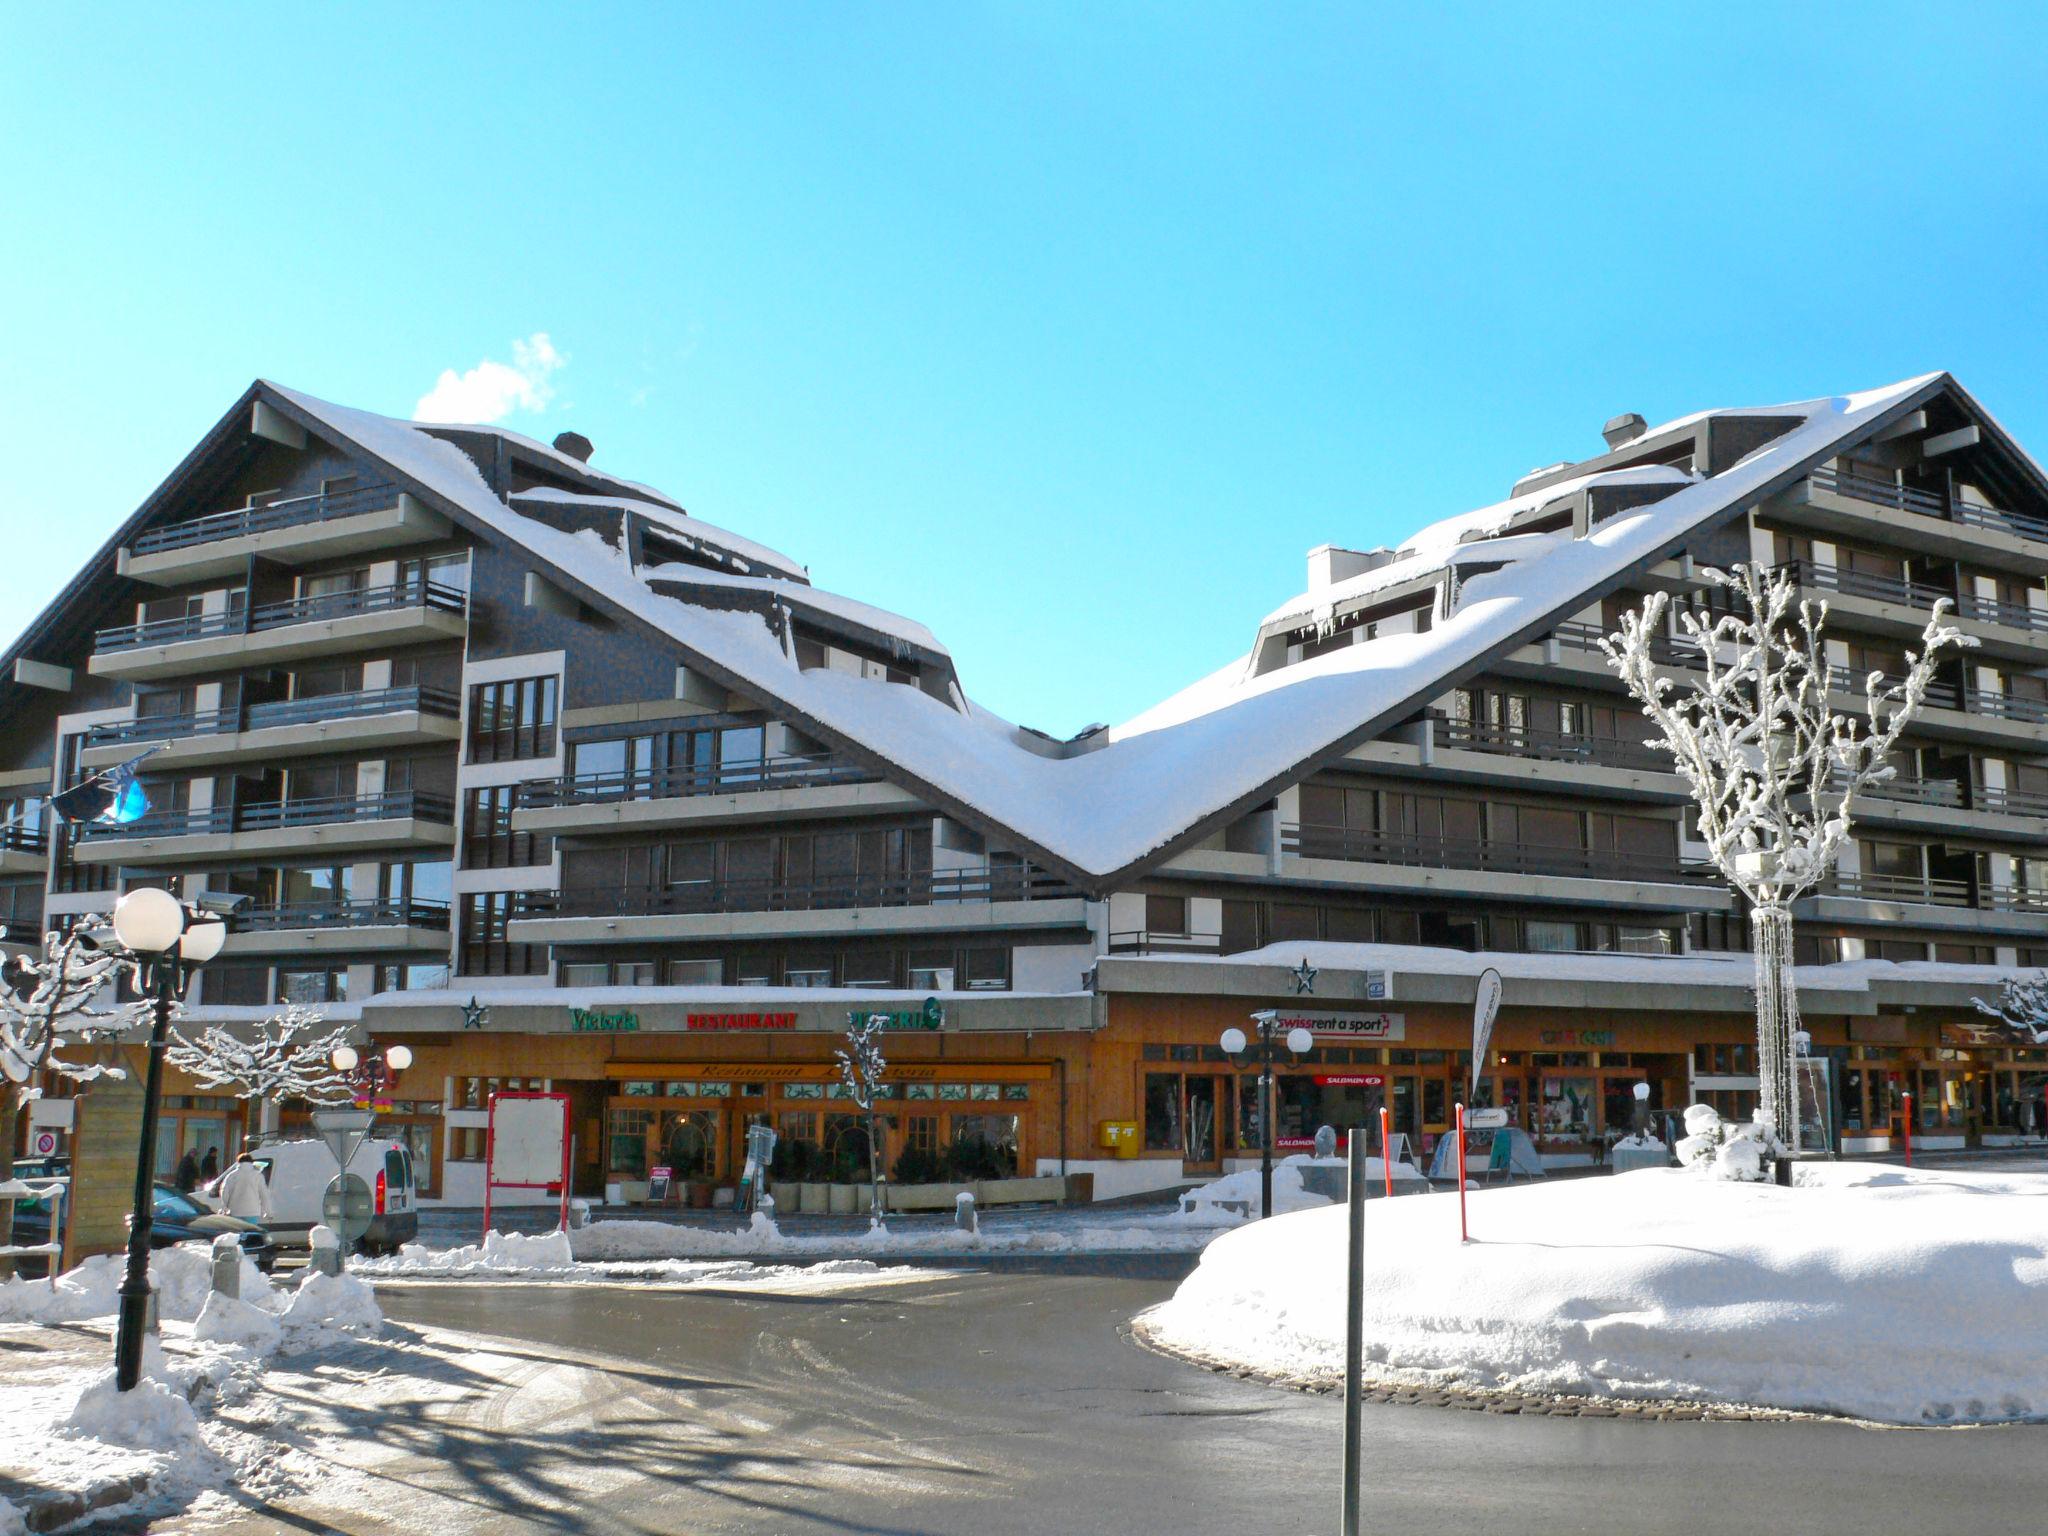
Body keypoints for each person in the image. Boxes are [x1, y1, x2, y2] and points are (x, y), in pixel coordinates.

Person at [216, 1151, 272, 1222]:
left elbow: (225, 1192)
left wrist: (224, 1206)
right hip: (253, 1212)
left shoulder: (232, 1175)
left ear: (238, 1162)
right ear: (251, 1162)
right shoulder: (258, 1176)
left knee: (237, 1232)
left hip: (235, 1211)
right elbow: (264, 1195)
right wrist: (268, 1212)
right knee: (251, 1232)